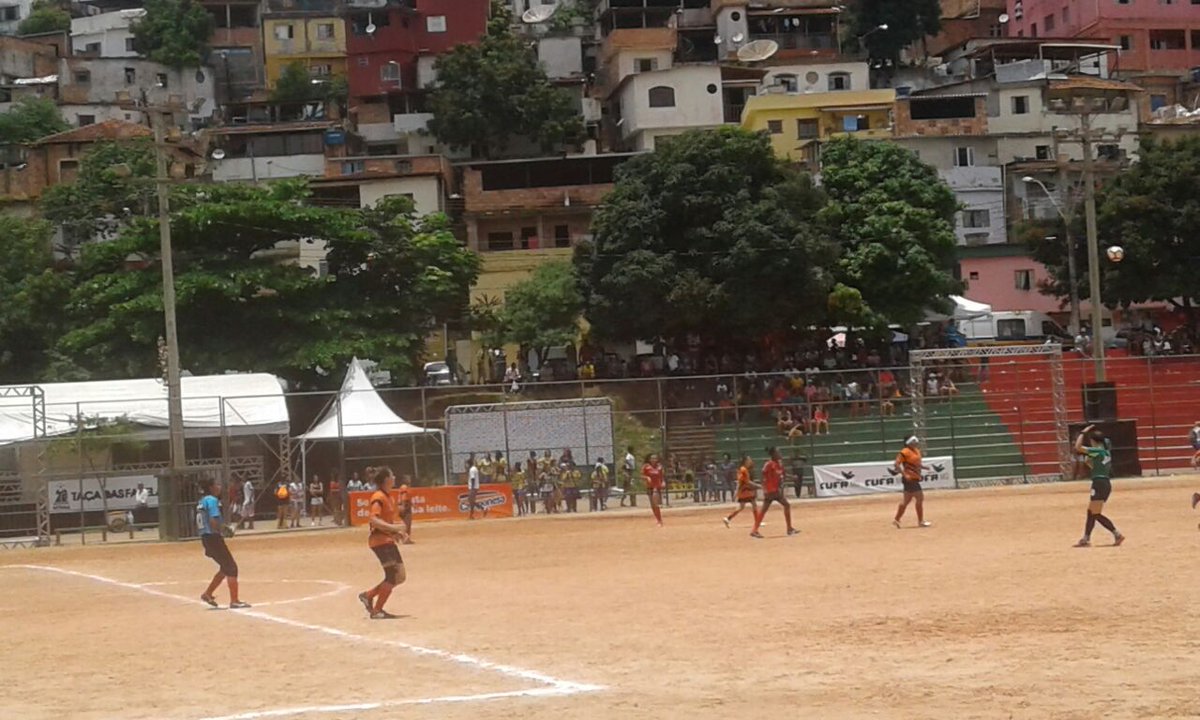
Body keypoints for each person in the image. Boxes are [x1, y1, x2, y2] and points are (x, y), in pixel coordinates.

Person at [357, 466, 408, 619]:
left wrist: (396, 533)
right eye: (392, 475)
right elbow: (373, 519)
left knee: (400, 576)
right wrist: (393, 528)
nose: (394, 478)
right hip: (380, 541)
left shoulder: (389, 497)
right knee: (393, 576)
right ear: (386, 479)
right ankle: (377, 610)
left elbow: (383, 522)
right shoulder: (378, 497)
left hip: (386, 540)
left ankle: (368, 595)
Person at [196, 478, 249, 609]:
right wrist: (225, 531)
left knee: (225, 567)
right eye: (217, 485)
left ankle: (208, 593)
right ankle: (234, 600)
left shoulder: (202, 501)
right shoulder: (212, 500)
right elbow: (213, 521)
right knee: (231, 567)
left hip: (206, 538)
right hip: (213, 538)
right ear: (211, 487)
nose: (219, 487)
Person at [1074, 425, 1125, 548]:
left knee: (1095, 513)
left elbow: (1078, 447)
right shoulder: (1106, 452)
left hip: (1099, 483)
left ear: (1094, 441)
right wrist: (1090, 464)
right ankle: (1086, 538)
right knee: (1091, 511)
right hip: (1104, 483)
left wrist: (1083, 432)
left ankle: (1116, 533)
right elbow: (1096, 467)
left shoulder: (1097, 451)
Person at [751, 447, 798, 538]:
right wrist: (764, 487)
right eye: (778, 452)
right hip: (771, 491)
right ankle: (789, 529)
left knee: (764, 510)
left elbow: (783, 474)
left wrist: (792, 477)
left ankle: (754, 530)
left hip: (774, 490)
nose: (780, 454)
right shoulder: (769, 464)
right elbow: (763, 475)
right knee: (786, 505)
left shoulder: (779, 464)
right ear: (773, 455)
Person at [893, 436, 932, 529]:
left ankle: (896, 519)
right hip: (910, 479)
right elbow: (896, 464)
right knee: (919, 497)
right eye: (914, 442)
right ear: (909, 442)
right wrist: (904, 474)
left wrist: (923, 467)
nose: (916, 443)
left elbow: (916, 463)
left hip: (915, 477)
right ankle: (920, 521)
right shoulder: (904, 452)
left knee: (906, 501)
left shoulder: (916, 451)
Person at [722, 455, 759, 528]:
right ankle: (757, 521)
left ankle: (728, 518)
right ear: (745, 461)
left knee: (741, 507)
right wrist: (757, 486)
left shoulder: (745, 469)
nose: (750, 461)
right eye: (748, 460)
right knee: (754, 504)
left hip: (744, 491)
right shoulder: (743, 470)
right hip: (746, 491)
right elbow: (741, 482)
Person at [643, 453, 665, 527]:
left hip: (656, 487)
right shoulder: (646, 467)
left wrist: (663, 482)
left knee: (656, 504)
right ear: (649, 459)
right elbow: (642, 475)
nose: (654, 460)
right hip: (649, 487)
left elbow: (662, 476)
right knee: (652, 505)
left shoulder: (659, 467)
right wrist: (647, 478)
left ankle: (659, 520)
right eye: (652, 458)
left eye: (655, 458)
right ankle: (658, 519)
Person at [397, 479, 414, 544]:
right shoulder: (404, 487)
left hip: (403, 506)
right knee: (407, 523)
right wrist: (404, 507)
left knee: (406, 523)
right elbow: (404, 498)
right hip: (405, 507)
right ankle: (405, 539)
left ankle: (405, 538)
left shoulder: (403, 487)